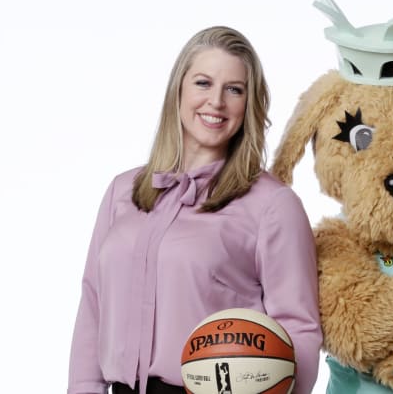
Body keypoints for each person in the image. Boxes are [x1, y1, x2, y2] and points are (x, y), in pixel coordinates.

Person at [67, 26, 322, 394]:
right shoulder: (122, 190)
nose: (216, 101)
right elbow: (93, 303)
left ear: (248, 105)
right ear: (179, 89)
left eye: (234, 89)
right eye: (203, 83)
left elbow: (299, 328)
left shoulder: (273, 205)